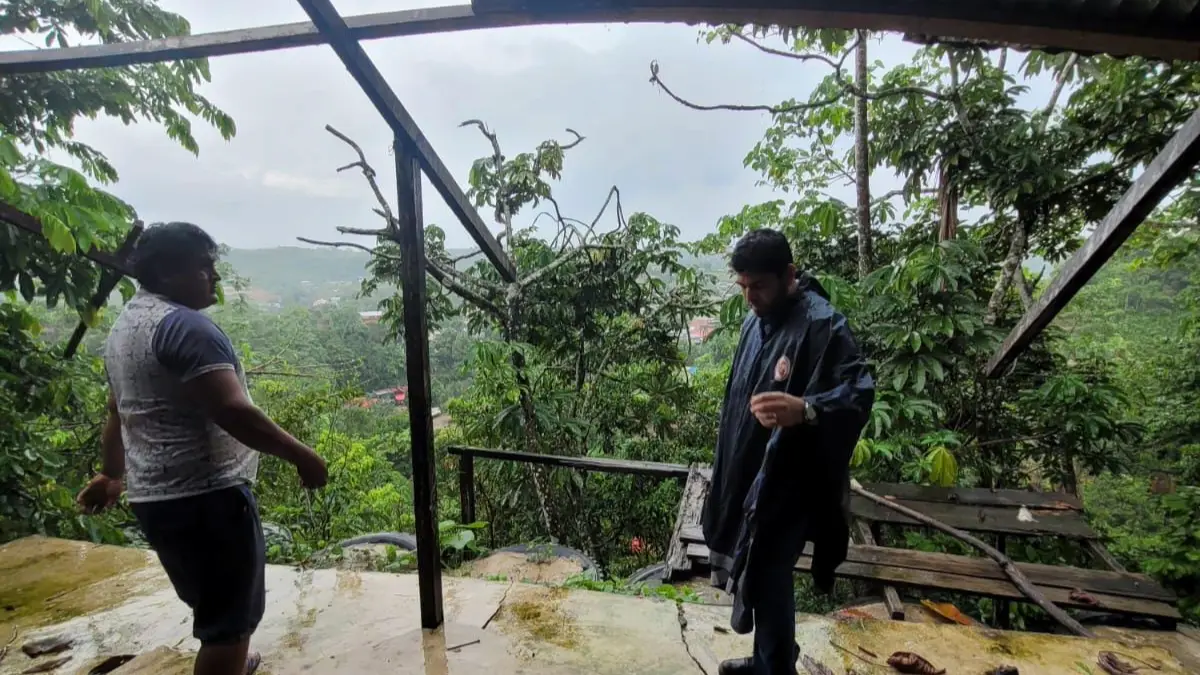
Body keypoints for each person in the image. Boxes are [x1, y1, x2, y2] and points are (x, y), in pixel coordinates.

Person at [77, 222, 329, 675]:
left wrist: (112, 474)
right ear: (167, 272)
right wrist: (302, 456)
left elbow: (118, 410)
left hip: (156, 499)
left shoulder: (125, 327)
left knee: (217, 607)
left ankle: (233, 662)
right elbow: (232, 410)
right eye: (203, 267)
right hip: (207, 499)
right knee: (228, 625)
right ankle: (226, 662)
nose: (214, 275)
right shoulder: (186, 328)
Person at [702, 229, 874, 675]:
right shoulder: (754, 322)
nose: (749, 297)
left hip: (793, 481)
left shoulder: (823, 325)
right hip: (752, 471)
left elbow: (859, 393)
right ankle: (769, 658)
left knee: (770, 572)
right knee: (757, 569)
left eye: (758, 286)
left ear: (789, 275)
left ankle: (775, 666)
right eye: (743, 287)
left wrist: (808, 409)